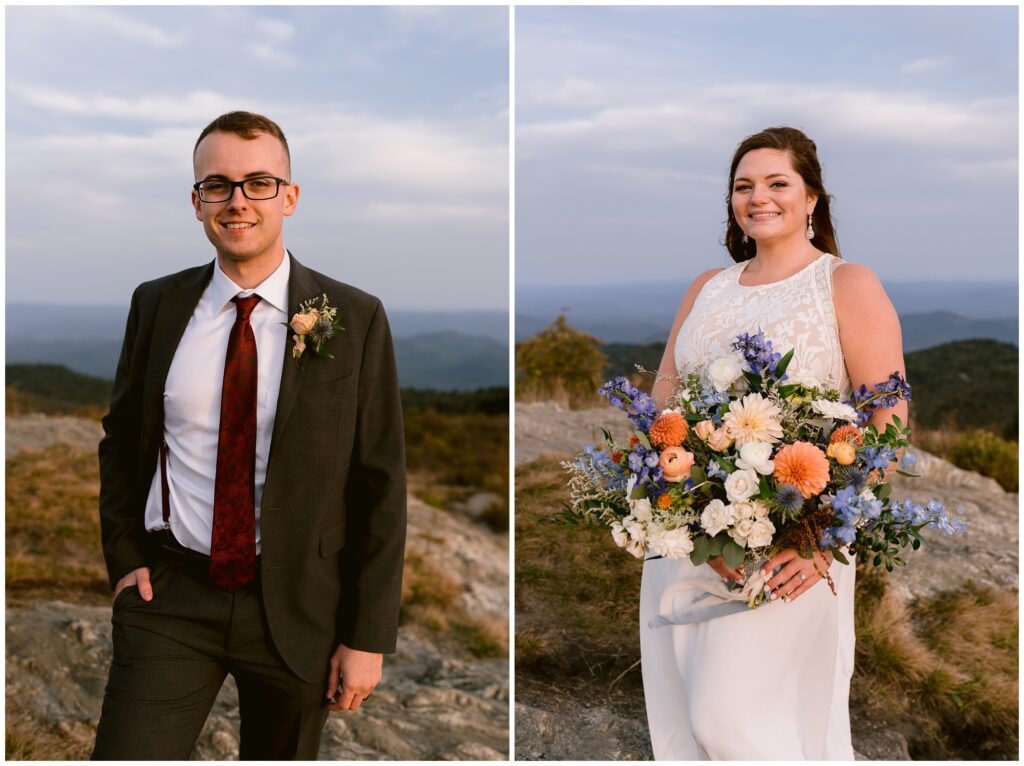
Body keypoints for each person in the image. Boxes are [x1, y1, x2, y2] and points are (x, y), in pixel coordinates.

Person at [92, 111, 407, 760]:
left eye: (259, 182)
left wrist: (367, 635)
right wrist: (125, 557)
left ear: (289, 197)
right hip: (172, 597)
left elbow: (381, 481)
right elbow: (121, 439)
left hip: (299, 608)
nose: (237, 201)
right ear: (197, 202)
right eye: (218, 185)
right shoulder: (156, 305)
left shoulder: (355, 316)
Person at [640, 126, 907, 760]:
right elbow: (660, 410)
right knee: (685, 729)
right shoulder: (707, 286)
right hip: (690, 540)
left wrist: (824, 546)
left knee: (736, 724)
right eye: (743, 186)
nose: (758, 197)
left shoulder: (847, 284)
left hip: (793, 545)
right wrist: (676, 503)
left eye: (777, 183)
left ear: (812, 197)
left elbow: (888, 428)